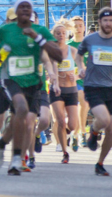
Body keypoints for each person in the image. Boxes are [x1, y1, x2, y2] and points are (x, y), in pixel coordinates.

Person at [0, 0, 61, 176]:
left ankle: (2, 143)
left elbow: (58, 55)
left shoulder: (40, 30)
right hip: (10, 79)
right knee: (21, 109)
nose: (25, 10)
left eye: (28, 7)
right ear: (16, 12)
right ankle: (16, 159)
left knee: (22, 118)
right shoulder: (6, 30)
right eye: (21, 7)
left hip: (33, 82)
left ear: (32, 12)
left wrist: (37, 38)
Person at [75, 7, 112, 177]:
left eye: (111, 21)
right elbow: (78, 55)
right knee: (103, 118)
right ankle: (93, 131)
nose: (109, 23)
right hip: (93, 86)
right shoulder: (90, 39)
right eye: (106, 20)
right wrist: (80, 67)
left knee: (110, 128)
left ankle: (100, 163)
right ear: (100, 22)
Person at [49, 21, 80, 165]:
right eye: (58, 33)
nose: (61, 35)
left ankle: (68, 134)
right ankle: (64, 152)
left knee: (72, 125)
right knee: (60, 120)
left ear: (67, 35)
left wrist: (77, 75)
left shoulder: (72, 51)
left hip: (71, 89)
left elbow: (83, 68)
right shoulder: (51, 51)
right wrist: (52, 80)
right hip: (57, 90)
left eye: (63, 33)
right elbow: (50, 69)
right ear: (53, 35)